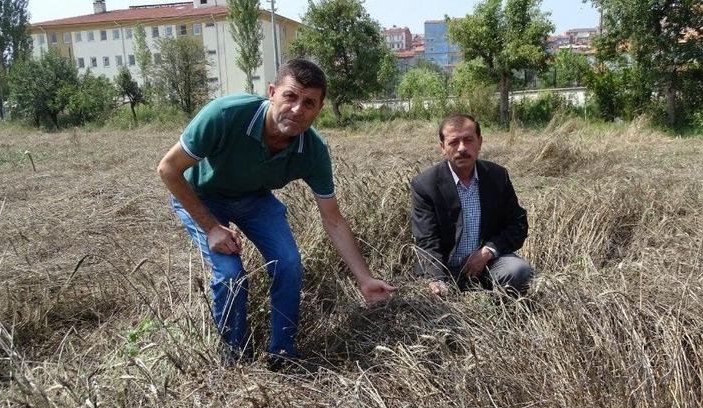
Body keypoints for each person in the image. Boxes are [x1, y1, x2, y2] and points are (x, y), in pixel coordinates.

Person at [157, 59, 395, 366]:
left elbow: (333, 218)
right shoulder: (226, 114)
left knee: (290, 264)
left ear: (319, 109)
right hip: (201, 196)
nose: (297, 110)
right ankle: (235, 359)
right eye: (290, 96)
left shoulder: (312, 151)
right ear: (272, 92)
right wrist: (212, 227)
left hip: (254, 197)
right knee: (230, 275)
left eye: (309, 103)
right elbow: (168, 169)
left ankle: (282, 353)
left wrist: (364, 279)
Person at [410, 114, 532, 295]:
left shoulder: (497, 176)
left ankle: (499, 308)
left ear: (480, 142)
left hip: (487, 265)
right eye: (453, 142)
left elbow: (518, 224)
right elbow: (427, 240)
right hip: (445, 267)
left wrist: (487, 252)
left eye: (468, 140)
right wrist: (436, 279)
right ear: (442, 147)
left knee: (519, 270)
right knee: (433, 295)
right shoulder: (425, 185)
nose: (462, 148)